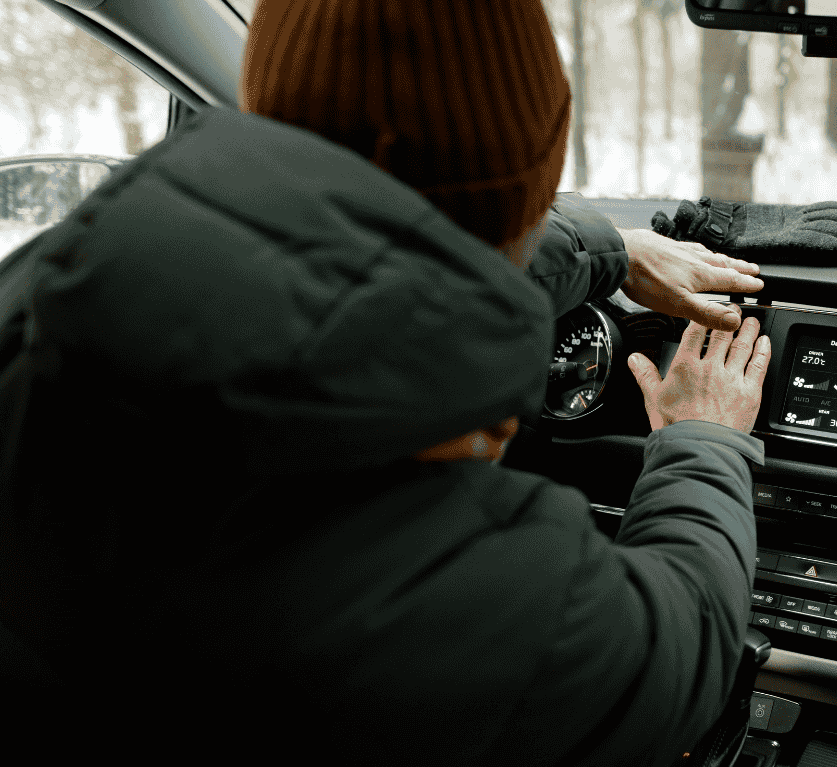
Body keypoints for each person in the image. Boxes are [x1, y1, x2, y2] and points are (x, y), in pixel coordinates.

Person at [0, 1, 773, 765]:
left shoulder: (35, 296)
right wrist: (701, 438)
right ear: (528, 193)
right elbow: (684, 649)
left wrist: (607, 249)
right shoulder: (469, 593)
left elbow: (358, 248)